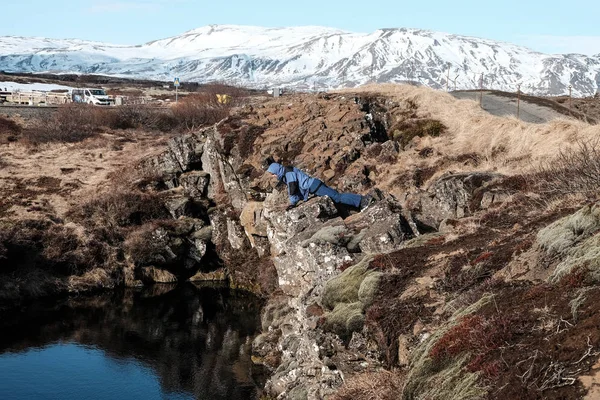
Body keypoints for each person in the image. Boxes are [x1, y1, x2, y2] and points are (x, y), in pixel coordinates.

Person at [265, 158, 373, 211]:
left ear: (277, 170)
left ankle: (363, 201)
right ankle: (360, 202)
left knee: (337, 197)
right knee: (336, 197)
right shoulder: (286, 172)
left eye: (273, 174)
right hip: (314, 185)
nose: (273, 176)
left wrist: (293, 202)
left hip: (314, 187)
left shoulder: (288, 174)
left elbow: (292, 188)